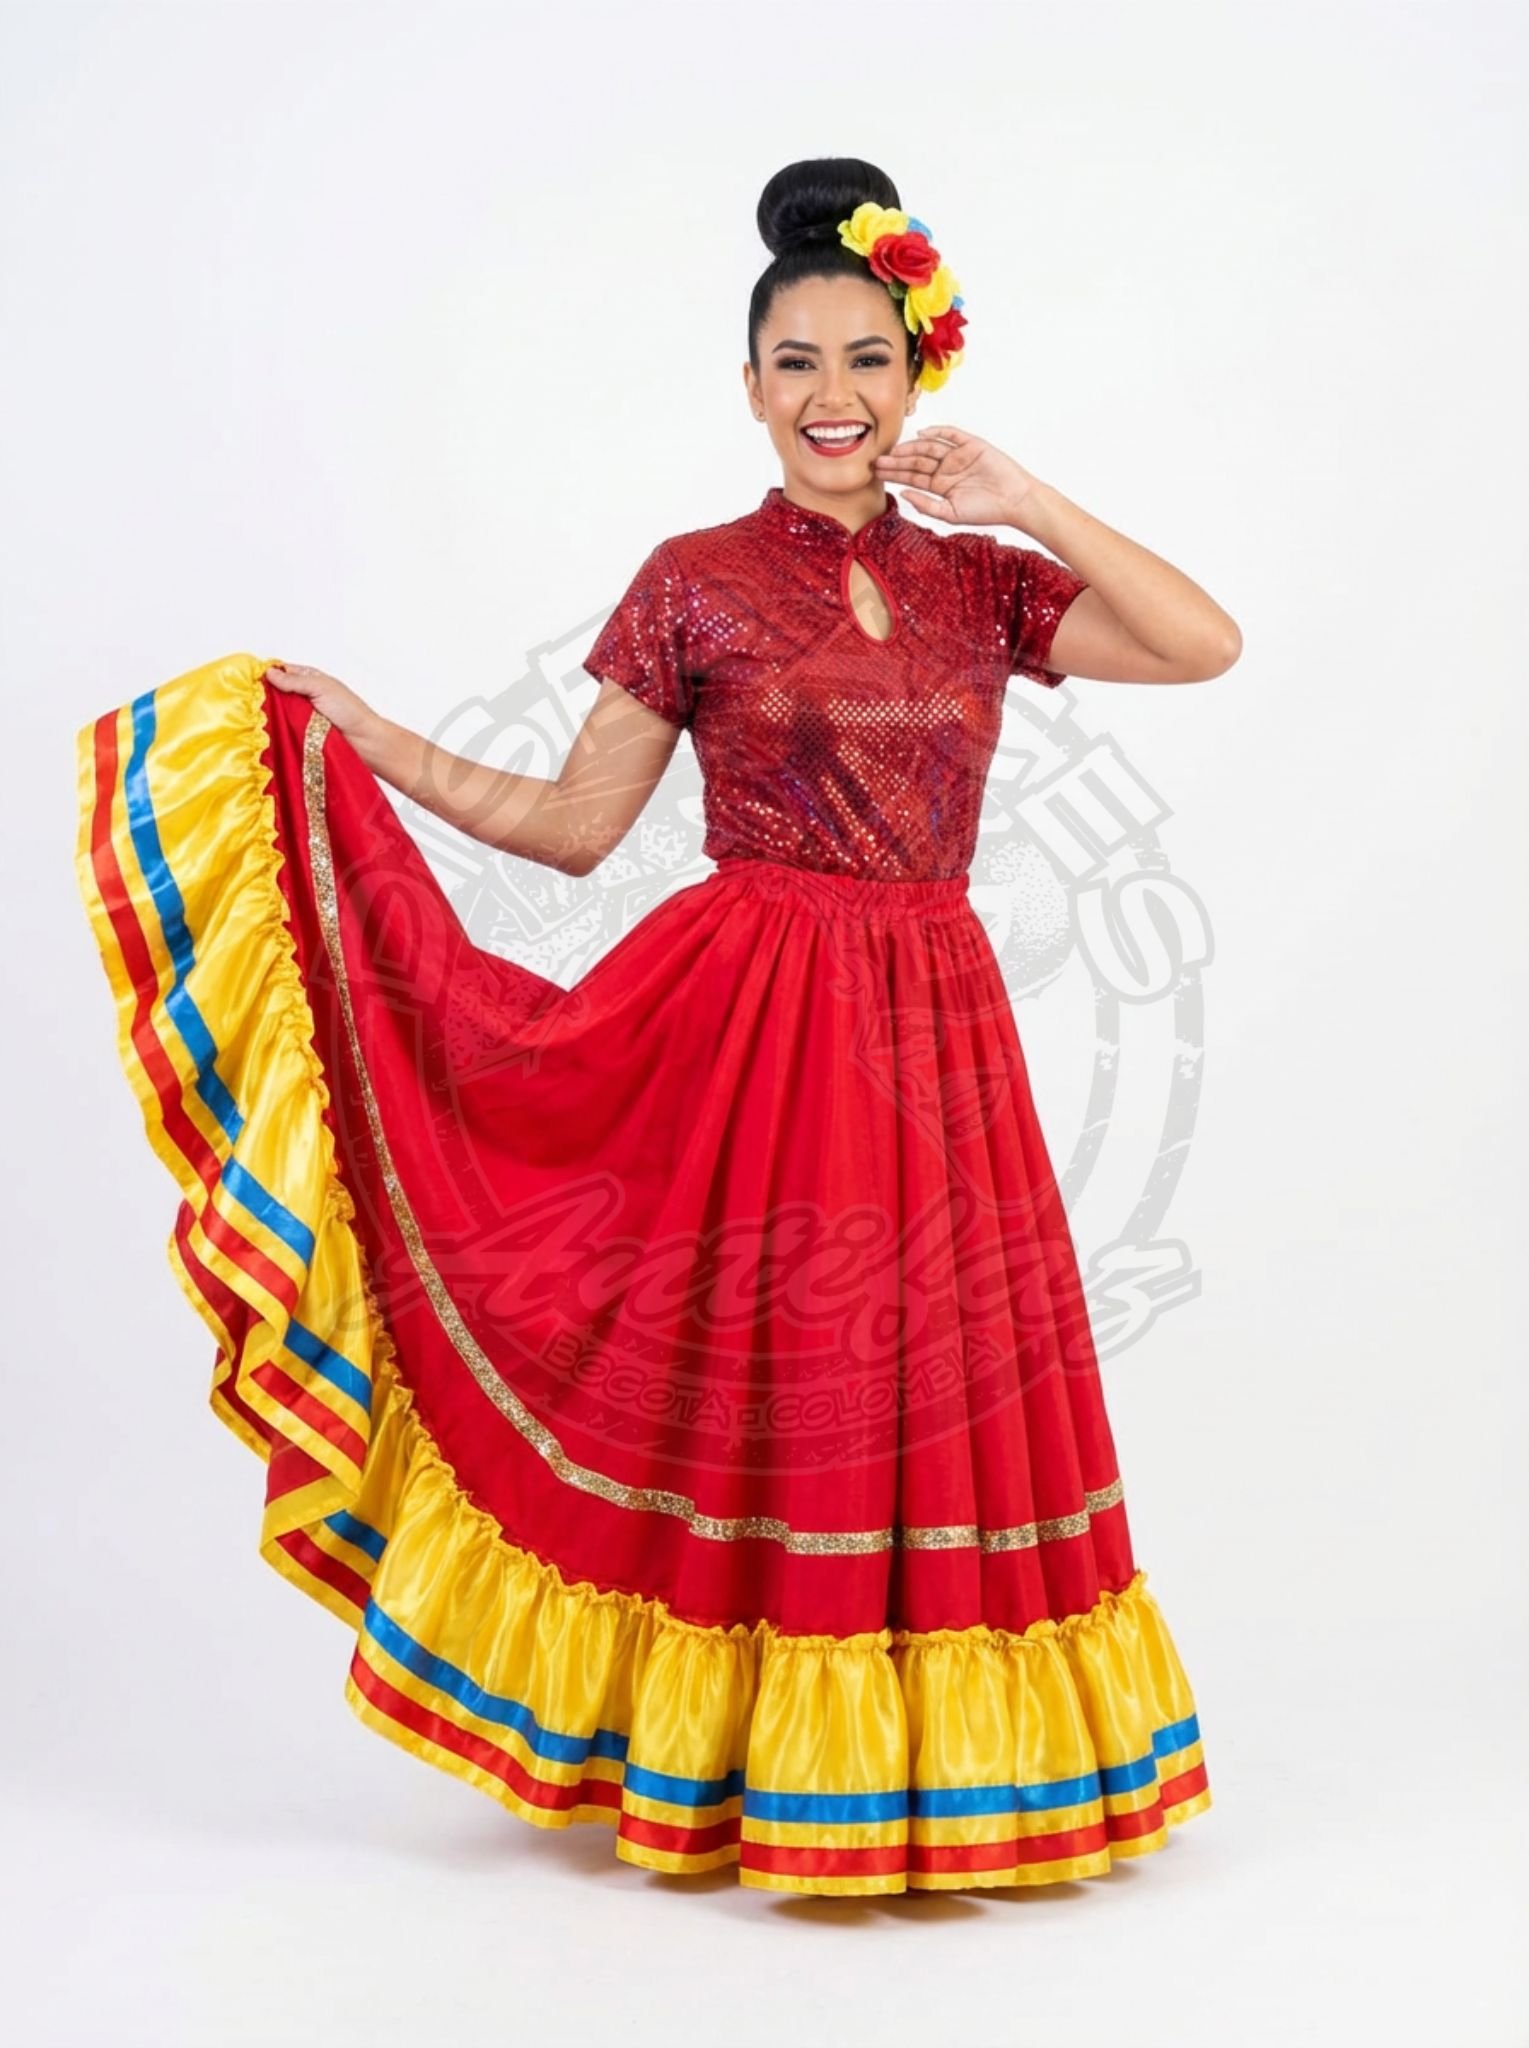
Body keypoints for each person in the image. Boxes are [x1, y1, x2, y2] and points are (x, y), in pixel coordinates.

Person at [73, 156, 1240, 1899]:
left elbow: (1204, 644)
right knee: (763, 1381)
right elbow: (569, 826)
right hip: (749, 1019)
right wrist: (373, 738)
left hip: (934, 1022)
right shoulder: (692, 578)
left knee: (919, 1377)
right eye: (796, 363)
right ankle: (731, 1755)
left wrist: (1023, 497)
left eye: (866, 361)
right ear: (748, 385)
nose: (832, 396)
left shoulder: (983, 588)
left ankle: (931, 1767)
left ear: (916, 376)